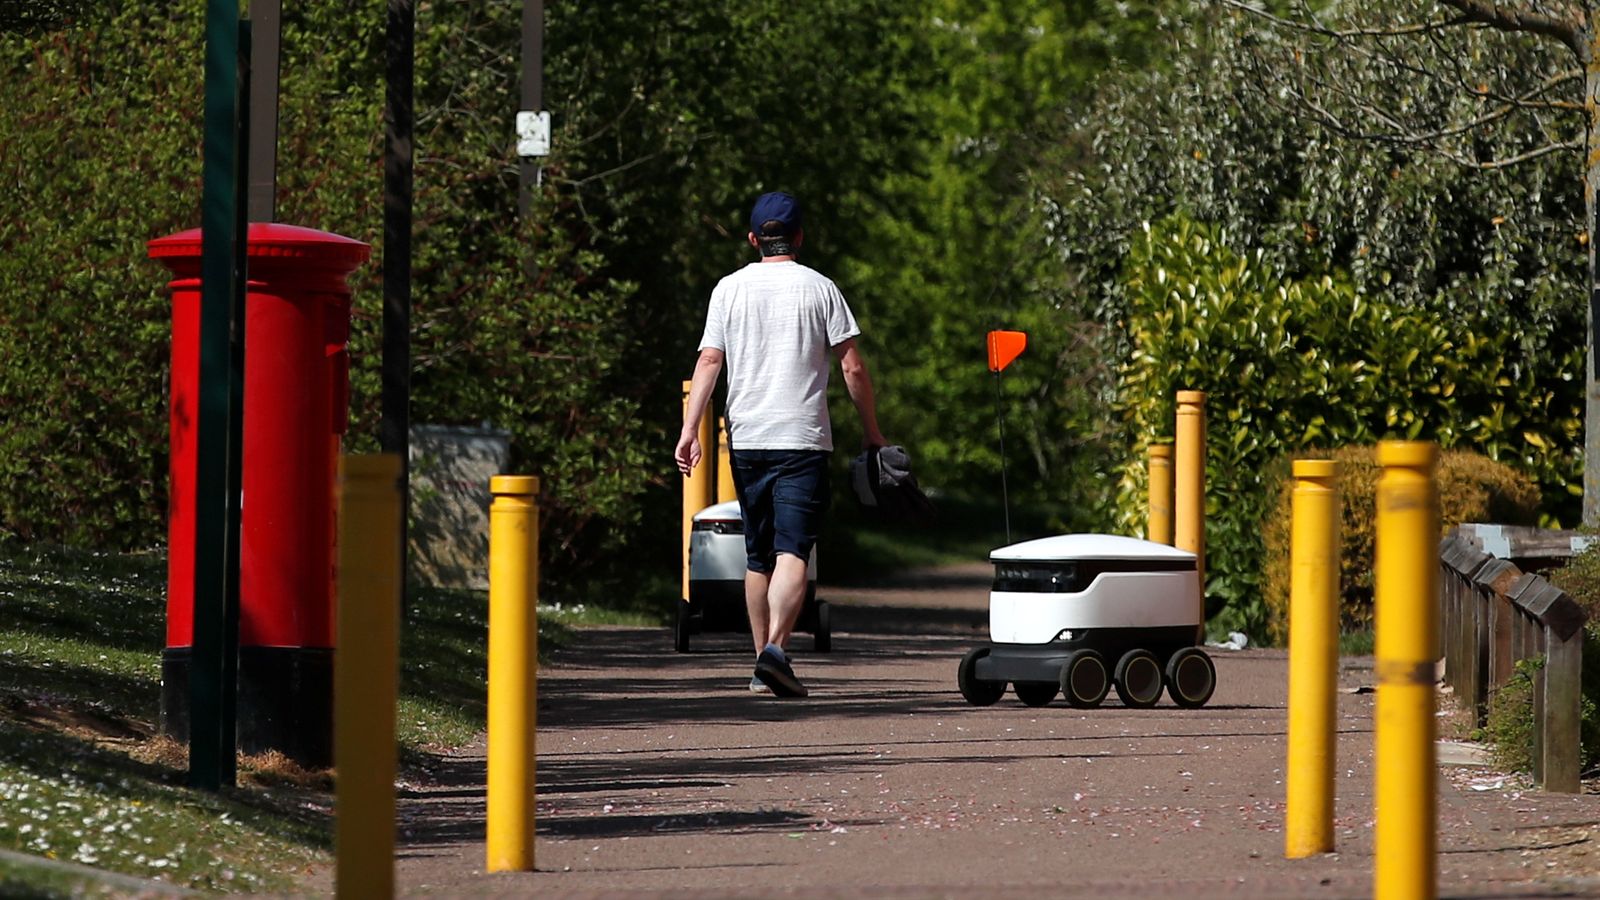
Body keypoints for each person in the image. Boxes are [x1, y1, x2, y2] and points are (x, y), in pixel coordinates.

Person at [675, 191, 887, 698]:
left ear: (753, 239)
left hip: (746, 438)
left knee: (757, 555)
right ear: (799, 238)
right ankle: (776, 652)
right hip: (802, 439)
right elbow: (852, 366)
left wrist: (690, 430)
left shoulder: (728, 289)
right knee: (794, 550)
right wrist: (872, 432)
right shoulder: (821, 289)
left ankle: (760, 664)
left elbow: (708, 362)